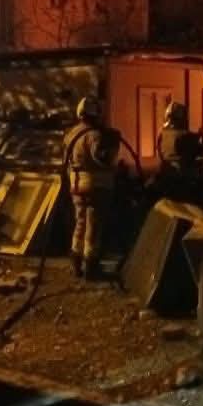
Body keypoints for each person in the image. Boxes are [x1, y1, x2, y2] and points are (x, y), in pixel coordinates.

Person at [63, 95, 119, 279]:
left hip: (76, 184)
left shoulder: (71, 134)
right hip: (97, 186)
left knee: (80, 223)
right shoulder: (95, 135)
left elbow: (66, 161)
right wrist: (113, 144)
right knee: (93, 226)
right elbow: (102, 159)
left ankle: (75, 262)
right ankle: (90, 265)